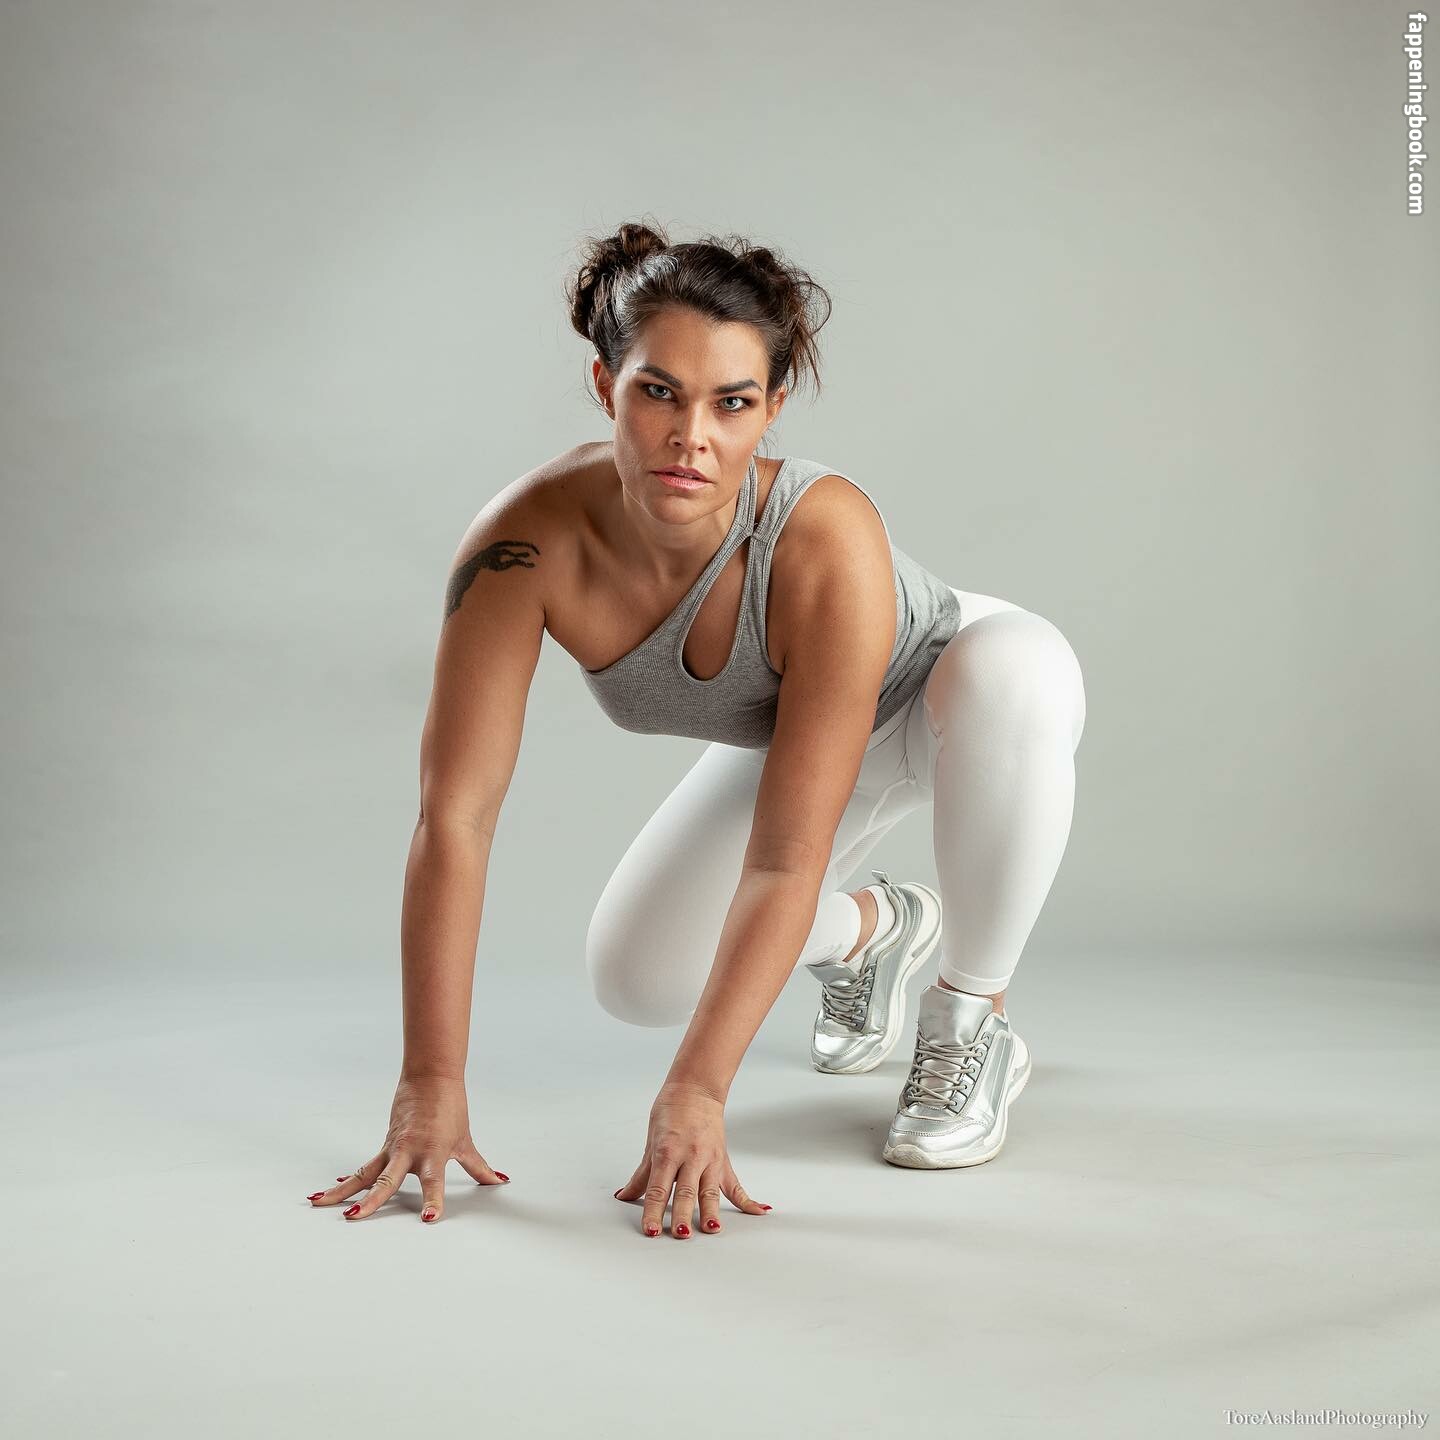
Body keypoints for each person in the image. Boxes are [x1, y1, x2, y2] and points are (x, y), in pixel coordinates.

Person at [306, 220, 1087, 1240]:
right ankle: (875, 932)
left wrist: (698, 1091)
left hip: (949, 694)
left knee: (1017, 674)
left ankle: (973, 1018)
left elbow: (785, 859)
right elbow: (454, 819)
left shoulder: (822, 531)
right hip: (807, 740)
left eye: (732, 402)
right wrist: (429, 1081)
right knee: (638, 978)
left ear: (772, 409)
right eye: (659, 392)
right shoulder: (525, 544)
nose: (692, 438)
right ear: (606, 386)